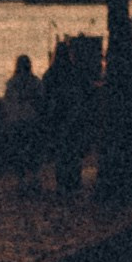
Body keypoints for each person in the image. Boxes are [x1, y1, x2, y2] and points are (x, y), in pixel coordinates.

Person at [42, 37, 97, 200]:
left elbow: (45, 97)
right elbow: (89, 91)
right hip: (75, 116)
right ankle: (74, 181)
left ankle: (62, 183)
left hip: (58, 118)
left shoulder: (50, 74)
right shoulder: (76, 71)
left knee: (61, 152)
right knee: (74, 150)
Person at [0, 53, 47, 195]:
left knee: (18, 152)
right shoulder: (35, 82)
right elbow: (41, 102)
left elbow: (7, 104)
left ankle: (21, 181)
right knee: (33, 151)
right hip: (31, 120)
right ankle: (34, 179)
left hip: (16, 121)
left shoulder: (11, 83)